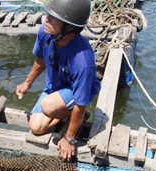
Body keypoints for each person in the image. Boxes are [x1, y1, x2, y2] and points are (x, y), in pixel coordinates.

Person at [16, 0, 101, 162]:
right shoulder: (45, 33)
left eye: (53, 18)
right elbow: (41, 58)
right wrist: (27, 82)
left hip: (80, 91)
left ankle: (77, 116)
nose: (46, 19)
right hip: (55, 87)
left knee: (48, 106)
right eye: (48, 15)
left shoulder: (82, 61)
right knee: (36, 127)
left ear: (69, 27)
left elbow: (80, 102)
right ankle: (73, 114)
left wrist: (69, 138)